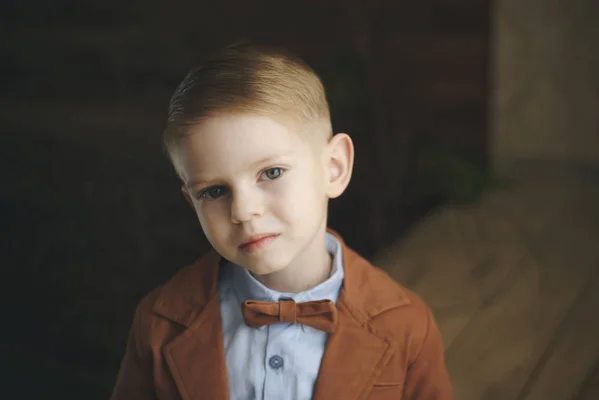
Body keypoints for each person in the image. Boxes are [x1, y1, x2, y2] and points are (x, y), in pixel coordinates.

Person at [110, 42, 454, 400]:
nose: (243, 211)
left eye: (271, 172)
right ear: (191, 201)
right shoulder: (159, 321)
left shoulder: (406, 325)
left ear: (333, 168)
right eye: (214, 192)